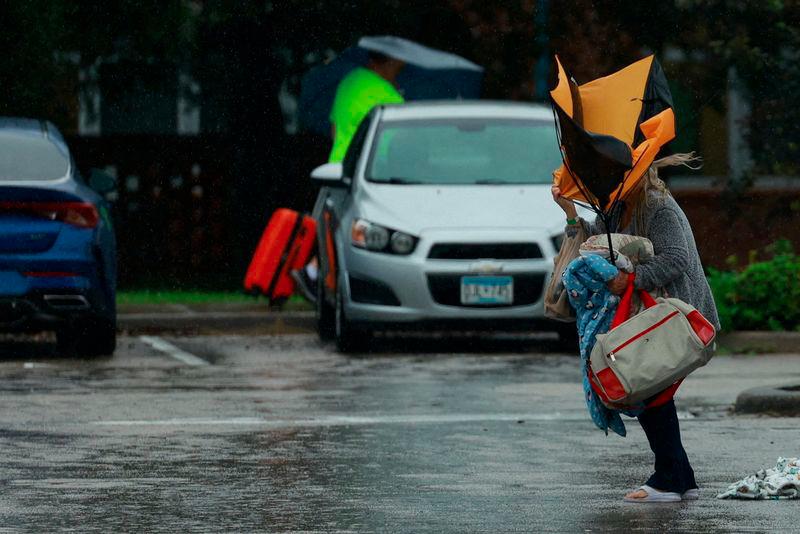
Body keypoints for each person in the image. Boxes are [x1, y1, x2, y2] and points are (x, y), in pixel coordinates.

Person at [551, 153, 721, 503]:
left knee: (648, 388)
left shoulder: (659, 206)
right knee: (647, 388)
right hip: (645, 314)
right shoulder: (613, 206)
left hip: (676, 314)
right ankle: (679, 475)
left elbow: (677, 258)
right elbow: (595, 244)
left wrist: (632, 278)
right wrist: (570, 213)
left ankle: (669, 478)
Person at [292, 52, 406, 301]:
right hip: (367, 173)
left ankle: (315, 273)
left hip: (336, 166)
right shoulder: (389, 97)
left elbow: (334, 129)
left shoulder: (350, 81)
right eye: (399, 62)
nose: (402, 65)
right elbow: (395, 145)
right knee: (360, 232)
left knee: (332, 225)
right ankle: (319, 274)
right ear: (392, 61)